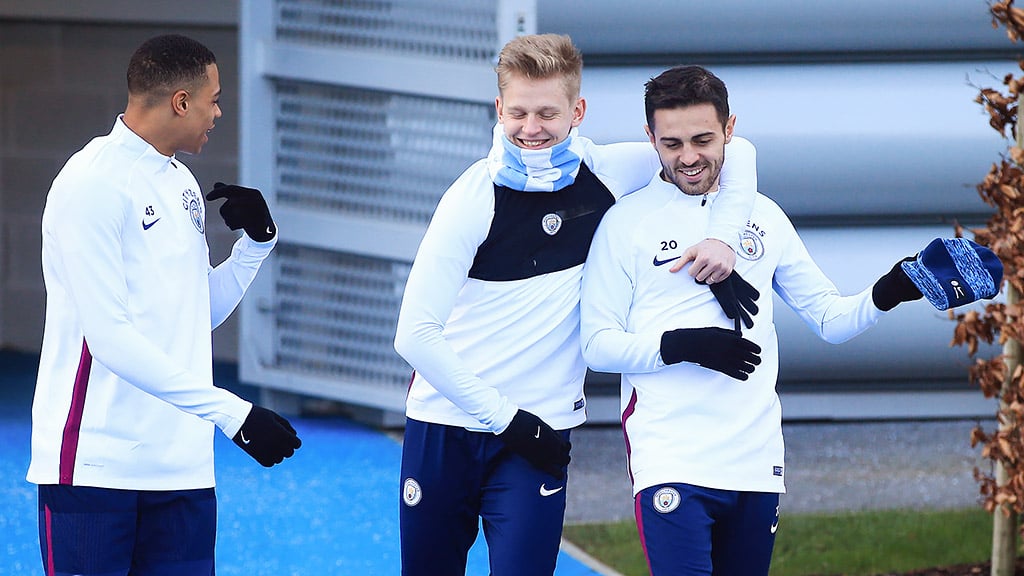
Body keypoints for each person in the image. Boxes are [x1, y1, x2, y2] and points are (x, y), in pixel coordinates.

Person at [579, 64, 1002, 575]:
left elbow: (831, 318)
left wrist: (897, 285)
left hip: (757, 462)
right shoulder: (625, 223)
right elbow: (597, 345)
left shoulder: (765, 216)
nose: (688, 158)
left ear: (730, 130)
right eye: (671, 144)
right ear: (650, 138)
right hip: (670, 458)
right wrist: (682, 345)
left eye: (703, 140)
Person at [392, 35, 758, 576]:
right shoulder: (471, 198)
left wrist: (722, 242)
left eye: (547, 112)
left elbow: (738, 151)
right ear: (499, 110)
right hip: (446, 426)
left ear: (577, 111)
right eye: (517, 112)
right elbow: (414, 336)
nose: (531, 127)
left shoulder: (609, 172)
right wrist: (506, 419)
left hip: (539, 436)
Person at [27, 34, 301, 576]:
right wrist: (234, 413)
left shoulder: (182, 183)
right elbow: (108, 337)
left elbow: (192, 316)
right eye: (213, 99)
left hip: (182, 469)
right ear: (181, 101)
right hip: (95, 468)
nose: (218, 112)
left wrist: (254, 247)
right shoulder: (91, 184)